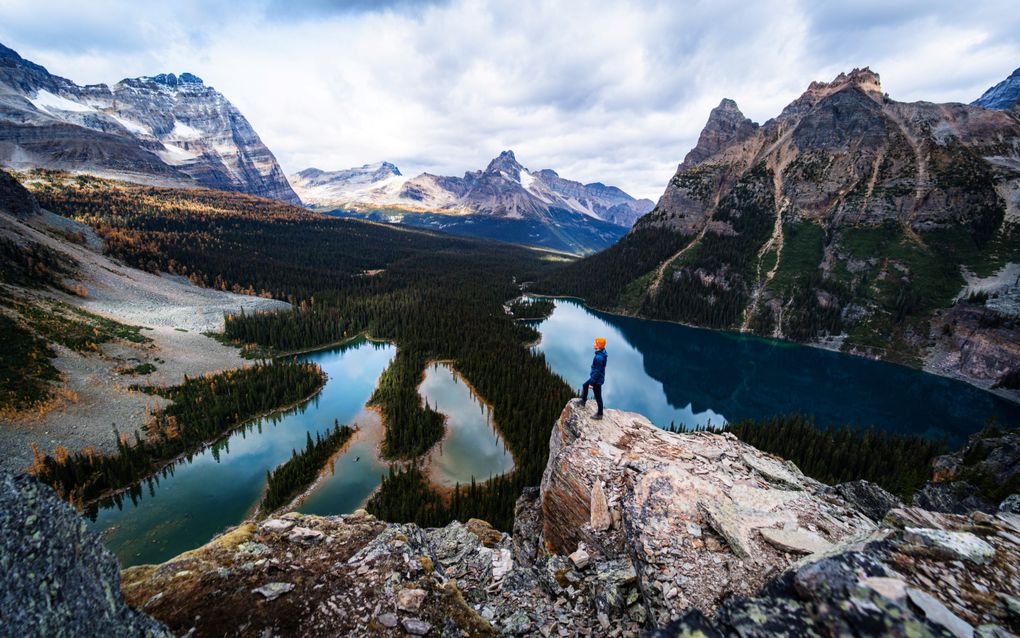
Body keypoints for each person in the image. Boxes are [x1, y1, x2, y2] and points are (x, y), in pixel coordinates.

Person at [581, 337, 607, 419]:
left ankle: (600, 414)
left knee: (598, 397)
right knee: (585, 385)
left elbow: (597, 372)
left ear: (598, 346)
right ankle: (583, 401)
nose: (593, 344)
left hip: (597, 380)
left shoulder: (599, 358)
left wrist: (592, 383)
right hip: (597, 377)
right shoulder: (601, 353)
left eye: (595, 343)